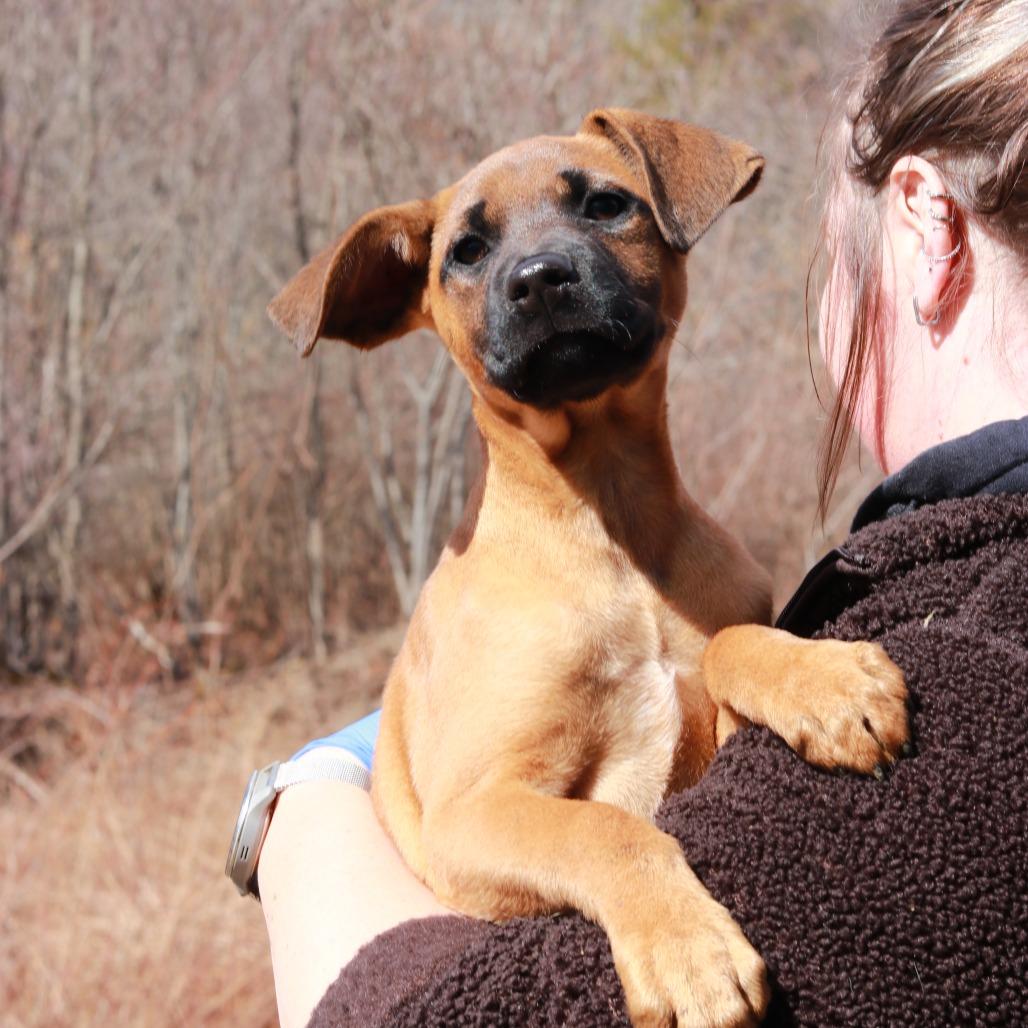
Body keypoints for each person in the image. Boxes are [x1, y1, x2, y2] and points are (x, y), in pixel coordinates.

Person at [254, 1, 1028, 1024]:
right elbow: (466, 835)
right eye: (472, 254)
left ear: (673, 230)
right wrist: (627, 869)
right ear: (412, 303)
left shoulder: (749, 588)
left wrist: (746, 656)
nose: (535, 264)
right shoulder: (491, 602)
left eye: (600, 209)